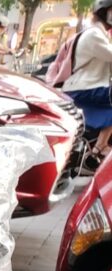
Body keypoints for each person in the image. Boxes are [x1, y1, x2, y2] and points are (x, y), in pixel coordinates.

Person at [64, 0, 112, 156]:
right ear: (104, 12)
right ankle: (100, 147)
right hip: (84, 88)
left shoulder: (100, 34)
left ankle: (98, 145)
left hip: (90, 87)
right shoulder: (94, 34)